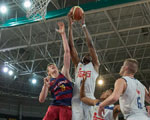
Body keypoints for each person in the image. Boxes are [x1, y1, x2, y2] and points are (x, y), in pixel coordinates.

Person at [68, 12, 100, 120]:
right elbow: (71, 47)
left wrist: (84, 25)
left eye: (89, 54)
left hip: (89, 98)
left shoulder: (95, 66)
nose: (88, 54)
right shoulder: (78, 64)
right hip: (76, 99)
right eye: (86, 54)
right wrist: (70, 26)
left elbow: (91, 45)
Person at [39, 22, 73, 120]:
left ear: (57, 68)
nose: (52, 66)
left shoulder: (64, 73)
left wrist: (63, 34)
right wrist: (45, 86)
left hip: (66, 107)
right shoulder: (48, 82)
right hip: (54, 107)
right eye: (50, 67)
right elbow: (41, 100)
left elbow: (67, 52)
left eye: (53, 65)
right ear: (48, 72)